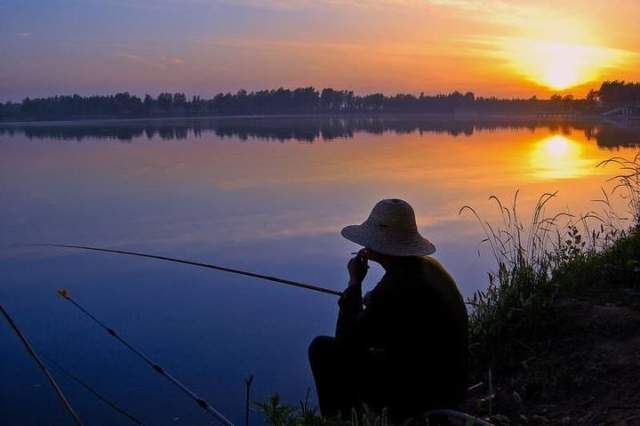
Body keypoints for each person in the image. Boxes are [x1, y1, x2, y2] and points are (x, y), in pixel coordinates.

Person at [308, 198, 469, 422]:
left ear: (380, 244)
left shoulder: (394, 287)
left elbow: (346, 342)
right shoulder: (427, 268)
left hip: (423, 395)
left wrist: (354, 284)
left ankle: (341, 419)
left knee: (322, 350)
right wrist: (373, 300)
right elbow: (400, 308)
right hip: (450, 382)